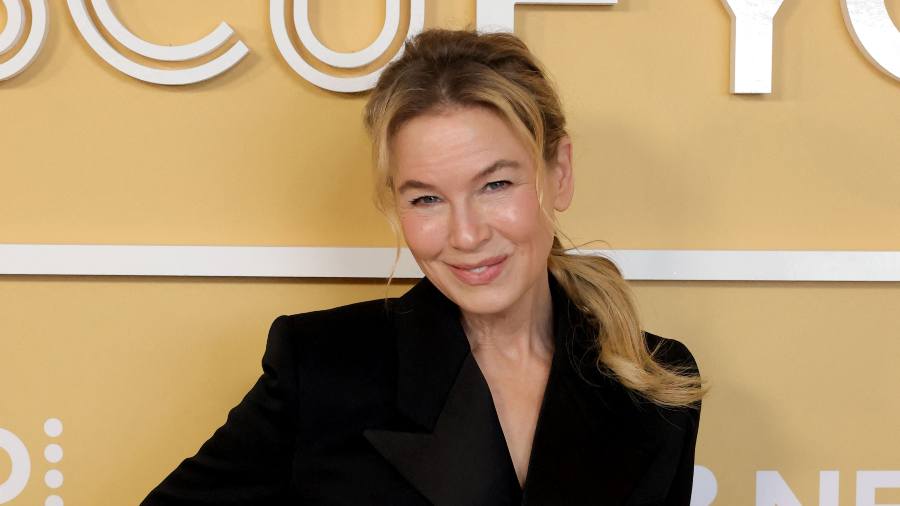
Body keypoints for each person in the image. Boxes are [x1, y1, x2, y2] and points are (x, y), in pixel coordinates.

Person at [142, 28, 706, 506]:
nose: (466, 235)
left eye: (496, 184)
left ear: (558, 172)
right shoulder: (321, 366)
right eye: (426, 199)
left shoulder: (657, 383)